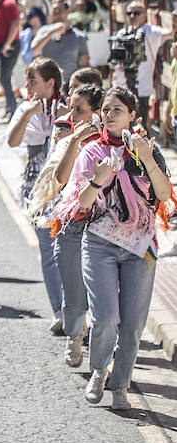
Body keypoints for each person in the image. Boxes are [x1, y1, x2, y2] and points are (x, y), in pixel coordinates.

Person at [51, 86, 172, 410]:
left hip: (139, 247)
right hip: (100, 243)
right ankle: (98, 371)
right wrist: (98, 180)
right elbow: (80, 204)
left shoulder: (147, 150)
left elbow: (163, 196)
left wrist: (146, 159)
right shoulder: (91, 152)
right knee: (105, 317)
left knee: (132, 326)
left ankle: (120, 387)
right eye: (105, 109)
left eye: (117, 109)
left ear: (133, 115)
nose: (109, 114)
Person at [29, 82, 102, 366]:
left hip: (104, 228)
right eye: (70, 107)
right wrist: (73, 141)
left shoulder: (110, 142)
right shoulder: (65, 140)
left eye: (78, 110)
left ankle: (102, 352)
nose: (71, 115)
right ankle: (74, 335)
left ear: (96, 113)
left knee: (105, 295)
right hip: (71, 226)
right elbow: (59, 179)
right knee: (72, 294)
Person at [6, 59, 65, 327]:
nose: (28, 86)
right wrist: (29, 114)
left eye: (33, 81)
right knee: (46, 246)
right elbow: (12, 140)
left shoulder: (68, 106)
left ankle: (76, 307)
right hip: (36, 187)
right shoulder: (25, 108)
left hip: (65, 185)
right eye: (28, 80)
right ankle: (59, 311)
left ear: (50, 83)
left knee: (68, 250)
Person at [113, 1, 169, 128]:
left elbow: (170, 32)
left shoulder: (150, 32)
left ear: (144, 15)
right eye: (129, 13)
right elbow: (114, 61)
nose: (132, 16)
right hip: (121, 87)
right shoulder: (122, 34)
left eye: (137, 13)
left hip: (141, 89)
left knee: (139, 127)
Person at [31, 1, 89, 84]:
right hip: (48, 83)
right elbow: (34, 49)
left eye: (60, 10)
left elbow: (85, 63)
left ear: (68, 11)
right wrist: (52, 31)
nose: (57, 14)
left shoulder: (78, 36)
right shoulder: (44, 31)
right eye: (54, 11)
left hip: (69, 84)